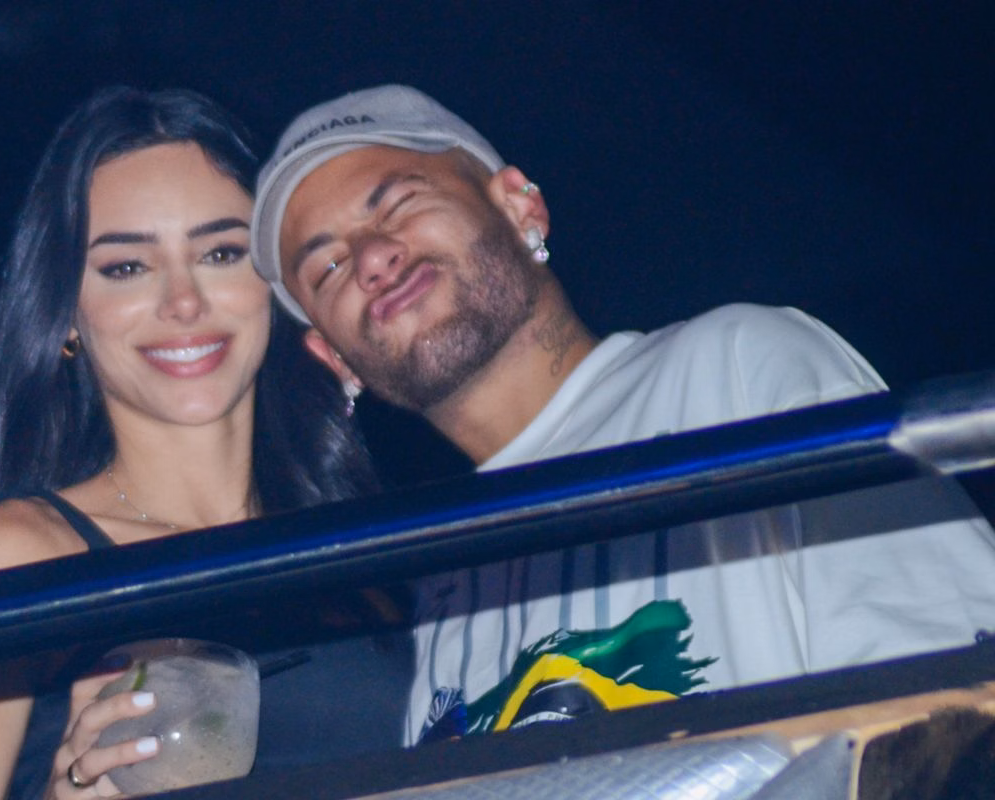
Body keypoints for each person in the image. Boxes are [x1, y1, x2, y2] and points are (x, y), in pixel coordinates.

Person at [248, 84, 995, 745]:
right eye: (328, 266)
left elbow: (949, 701)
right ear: (335, 358)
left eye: (399, 203)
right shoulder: (441, 588)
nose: (372, 257)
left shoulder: (735, 367)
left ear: (519, 204)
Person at [0, 86, 409, 800]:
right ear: (66, 314)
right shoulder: (16, 556)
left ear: (273, 284)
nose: (184, 302)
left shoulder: (353, 542)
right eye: (127, 267)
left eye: (221, 252)